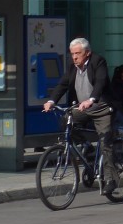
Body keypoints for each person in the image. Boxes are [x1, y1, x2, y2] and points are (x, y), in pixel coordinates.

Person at [42, 37, 117, 194]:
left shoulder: (98, 62)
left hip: (101, 106)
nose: (74, 57)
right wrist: (51, 101)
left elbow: (100, 82)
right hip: (82, 107)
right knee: (65, 121)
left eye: (78, 53)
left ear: (87, 53)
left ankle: (111, 179)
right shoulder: (73, 66)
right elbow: (62, 84)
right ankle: (86, 146)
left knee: (105, 142)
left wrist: (91, 99)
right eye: (72, 54)